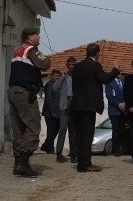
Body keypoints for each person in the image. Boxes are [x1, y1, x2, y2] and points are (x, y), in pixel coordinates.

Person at [69, 42, 120, 172]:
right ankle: (85, 164)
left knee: (79, 135)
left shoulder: (77, 66)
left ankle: (81, 162)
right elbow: (104, 79)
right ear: (98, 54)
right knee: (87, 135)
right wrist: (115, 70)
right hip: (88, 105)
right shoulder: (94, 65)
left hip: (76, 105)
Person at [7, 27, 51, 177]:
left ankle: (19, 164)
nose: (39, 38)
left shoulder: (18, 50)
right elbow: (45, 64)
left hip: (13, 92)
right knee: (33, 127)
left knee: (19, 129)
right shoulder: (31, 50)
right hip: (25, 93)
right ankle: (22, 163)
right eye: (38, 35)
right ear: (31, 36)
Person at [52, 56, 77, 163]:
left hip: (75, 106)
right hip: (64, 106)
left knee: (73, 131)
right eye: (69, 65)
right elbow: (54, 88)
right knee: (62, 129)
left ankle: (74, 154)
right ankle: (59, 153)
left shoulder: (78, 77)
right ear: (67, 65)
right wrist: (62, 77)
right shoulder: (64, 77)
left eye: (73, 65)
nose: (71, 67)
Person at [39, 69, 62, 154]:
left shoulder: (58, 84)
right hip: (50, 113)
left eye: (58, 76)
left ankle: (45, 146)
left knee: (56, 129)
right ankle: (49, 148)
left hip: (57, 112)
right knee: (51, 130)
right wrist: (53, 112)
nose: (57, 77)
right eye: (56, 75)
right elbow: (49, 99)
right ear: (52, 76)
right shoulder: (50, 85)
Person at [105, 73, 128, 156]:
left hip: (124, 110)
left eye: (121, 72)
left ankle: (124, 149)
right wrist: (118, 104)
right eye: (118, 72)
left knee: (123, 130)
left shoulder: (124, 81)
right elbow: (109, 96)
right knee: (116, 130)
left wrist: (126, 103)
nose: (120, 73)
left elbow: (128, 93)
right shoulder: (110, 83)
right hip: (114, 111)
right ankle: (116, 150)